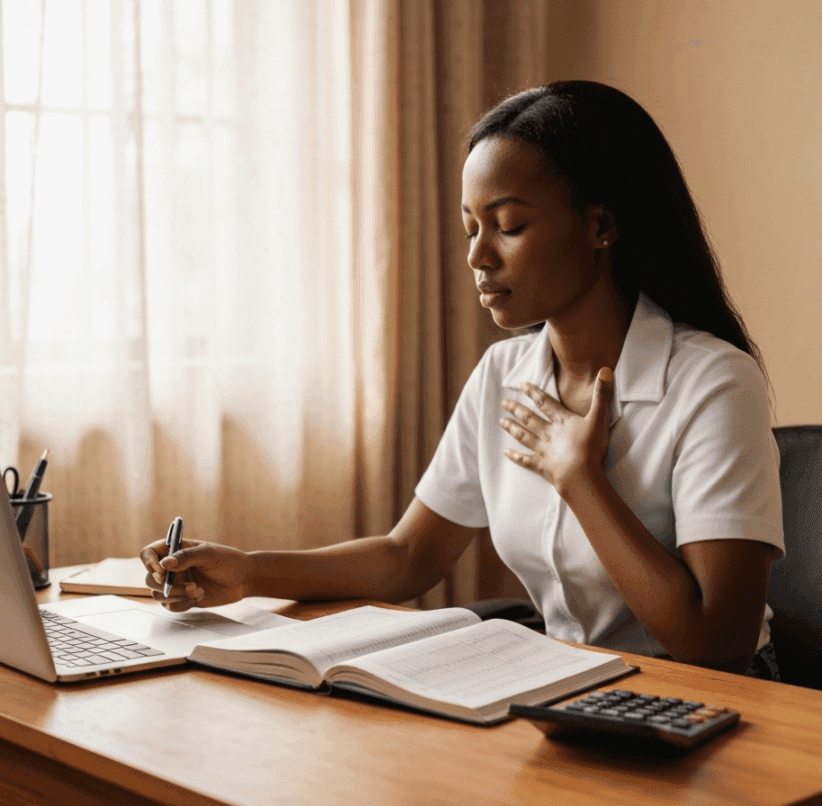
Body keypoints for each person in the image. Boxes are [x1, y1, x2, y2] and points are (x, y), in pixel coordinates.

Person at [140, 80, 785, 678]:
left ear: (601, 226)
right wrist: (249, 573)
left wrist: (580, 480)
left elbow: (717, 646)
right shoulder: (503, 375)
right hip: (572, 690)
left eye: (508, 226)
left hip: (713, 709)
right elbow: (408, 558)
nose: (477, 256)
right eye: (470, 228)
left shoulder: (713, 383)